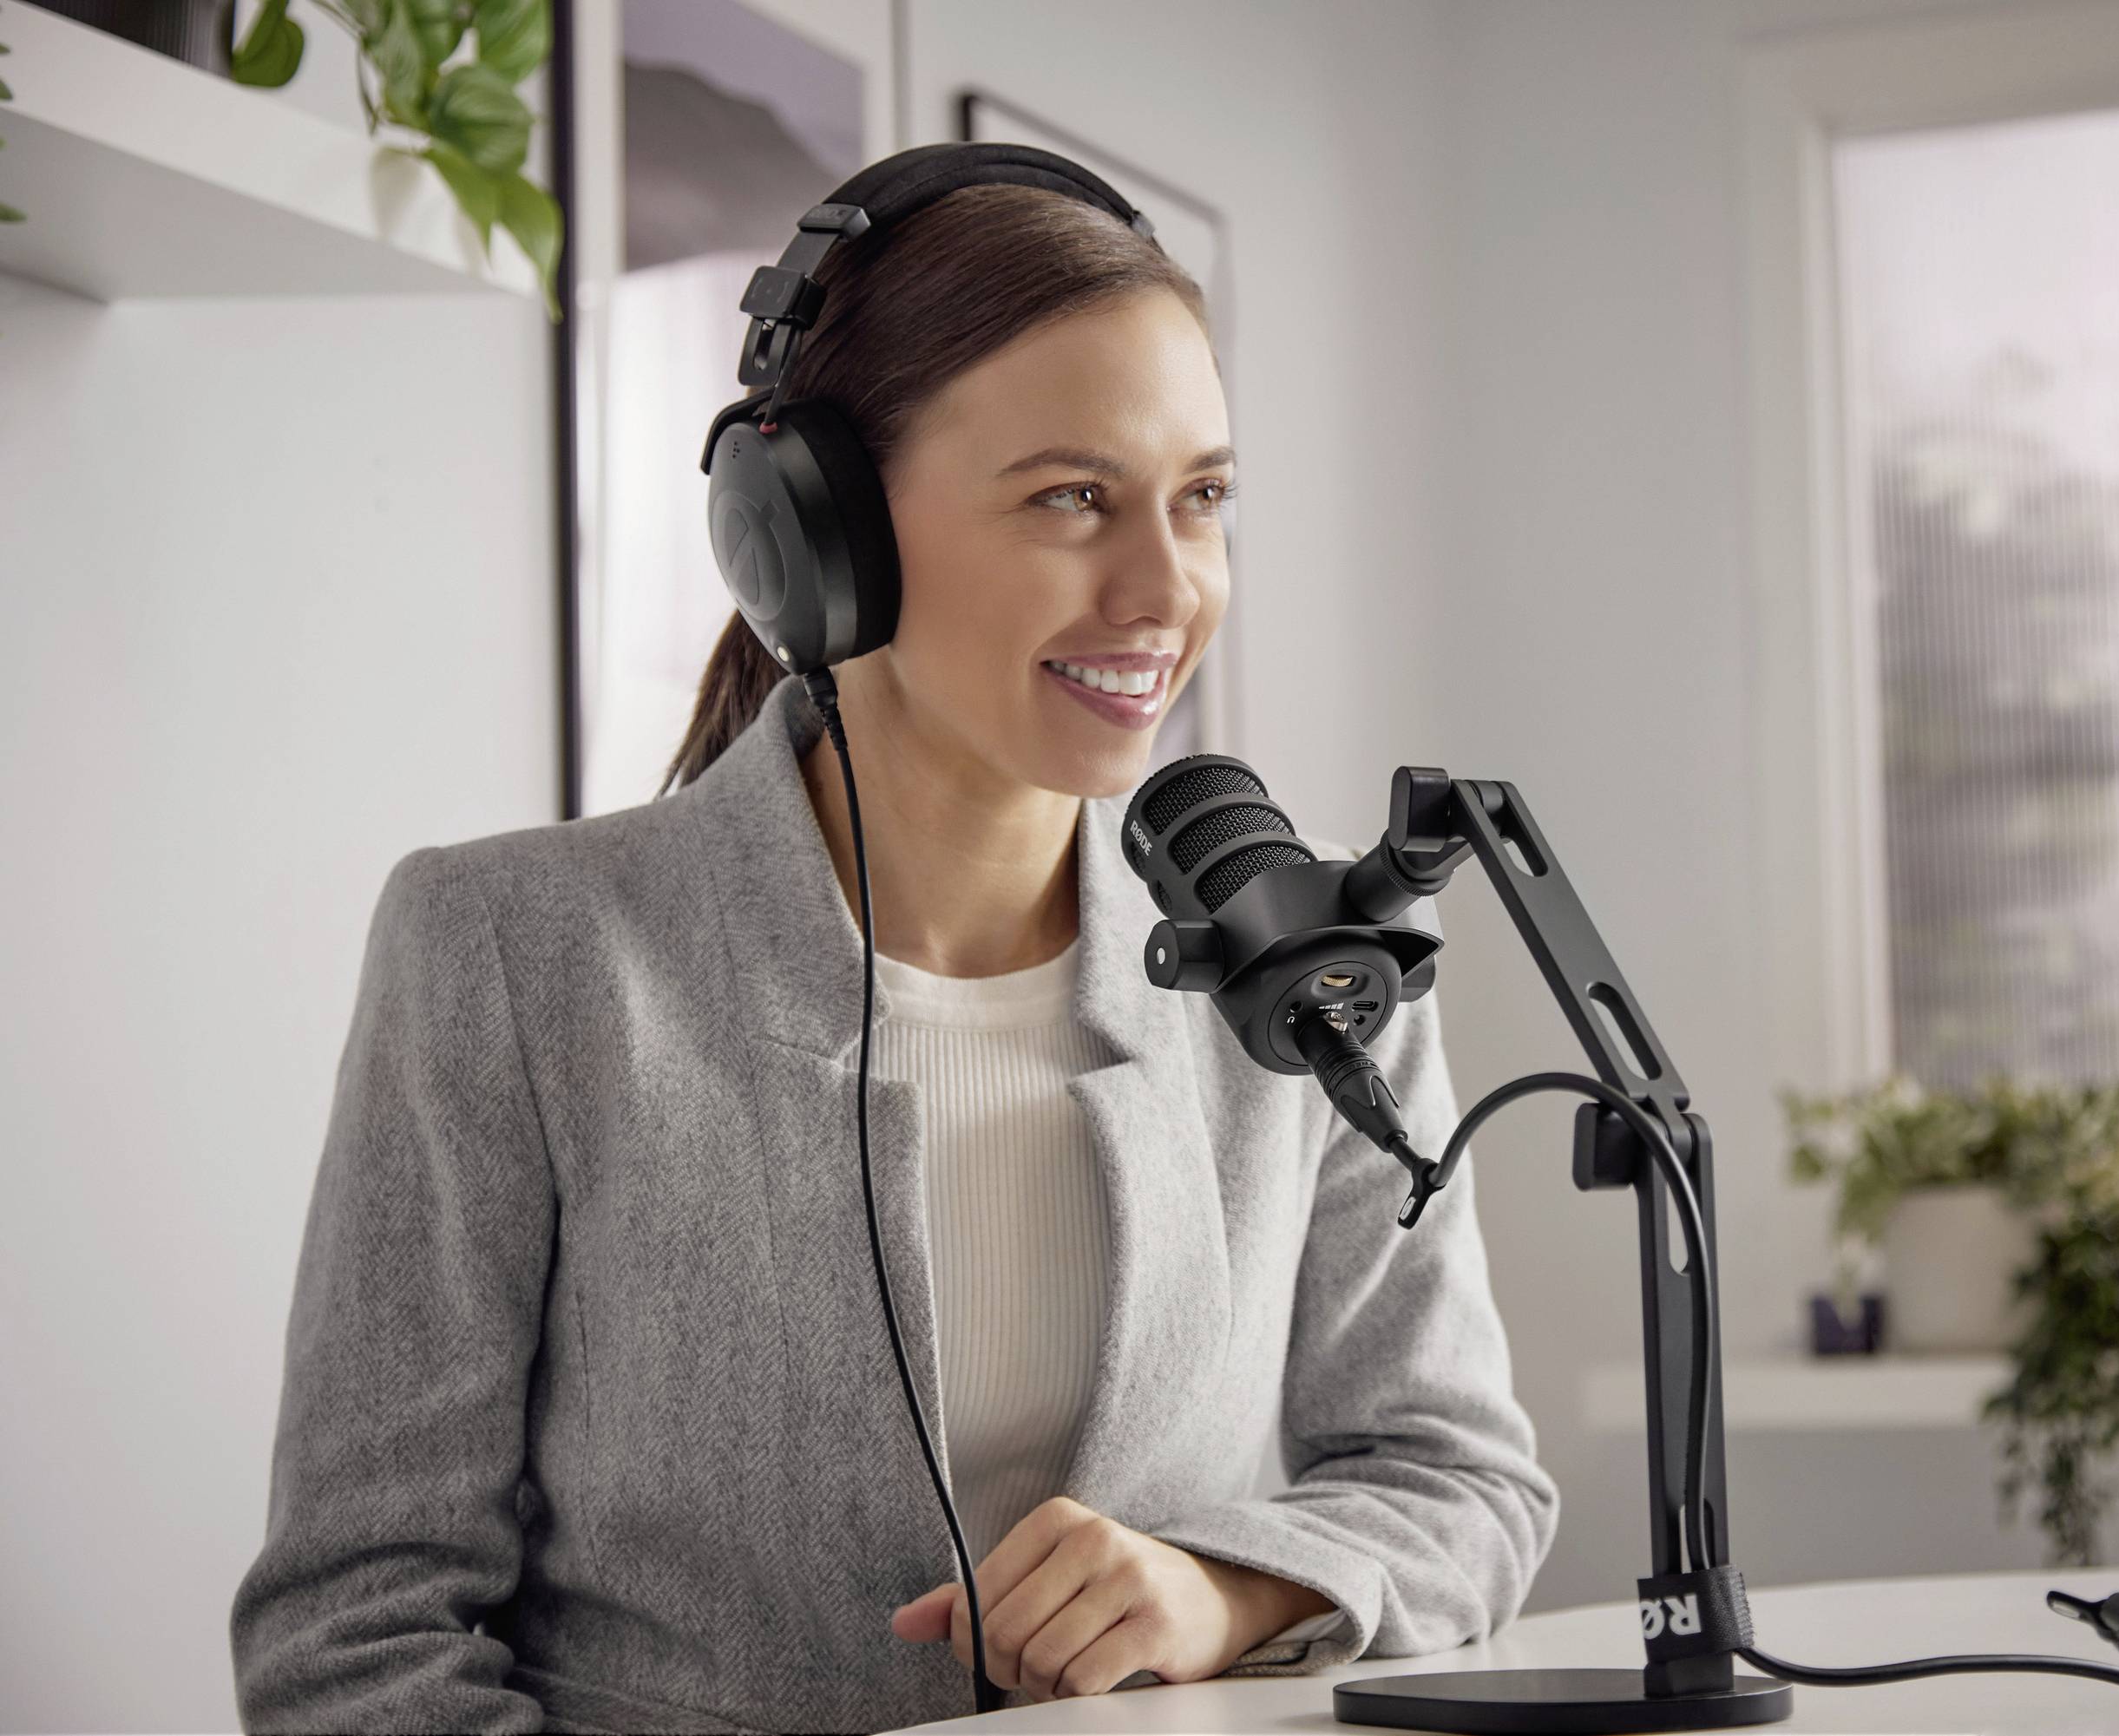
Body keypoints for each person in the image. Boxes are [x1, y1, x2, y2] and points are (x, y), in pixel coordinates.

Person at [229, 165, 1557, 1733]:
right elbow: (353, 1634)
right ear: (820, 535)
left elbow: (1461, 1478)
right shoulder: (515, 956)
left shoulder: (1314, 968)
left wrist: (1228, 1589)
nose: (1167, 590)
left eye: (1202, 496)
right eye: (1072, 497)